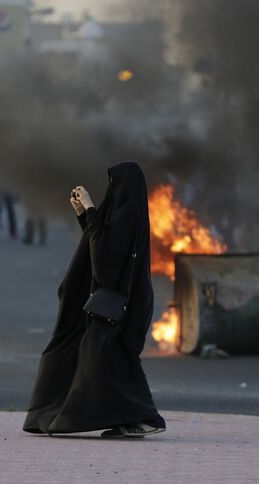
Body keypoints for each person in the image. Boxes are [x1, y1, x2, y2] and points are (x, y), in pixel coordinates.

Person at [23, 161, 165, 438]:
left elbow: (105, 260)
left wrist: (90, 209)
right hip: (121, 303)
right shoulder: (127, 213)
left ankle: (143, 417)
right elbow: (100, 241)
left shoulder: (129, 213)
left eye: (114, 184)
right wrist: (83, 215)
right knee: (97, 358)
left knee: (101, 357)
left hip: (122, 305)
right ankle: (53, 415)